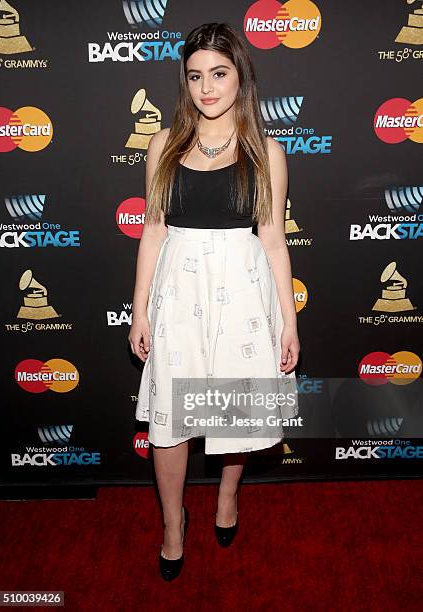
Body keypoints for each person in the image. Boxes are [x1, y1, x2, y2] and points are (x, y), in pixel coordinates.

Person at [128, 22, 300, 581]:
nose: (207, 87)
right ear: (185, 81)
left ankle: (227, 496)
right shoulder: (163, 144)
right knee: (172, 419)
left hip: (243, 297)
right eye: (196, 75)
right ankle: (173, 523)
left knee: (233, 410)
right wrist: (139, 307)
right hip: (179, 293)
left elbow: (273, 240)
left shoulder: (266, 152)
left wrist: (289, 322)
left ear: (239, 79)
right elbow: (153, 232)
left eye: (219, 74)